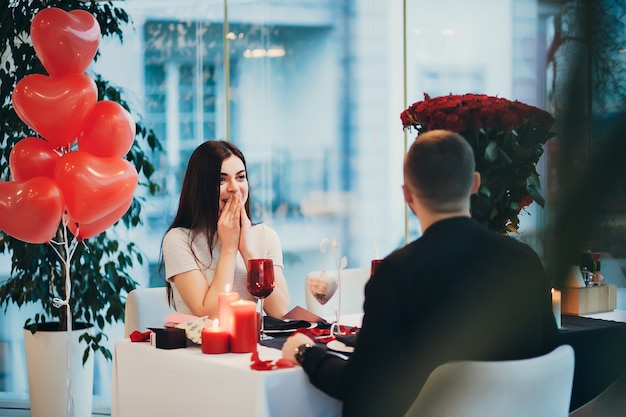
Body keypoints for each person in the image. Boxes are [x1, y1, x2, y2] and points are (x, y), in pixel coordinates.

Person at [282, 129, 558, 417]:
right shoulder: (524, 260)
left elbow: (361, 387)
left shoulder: (398, 272)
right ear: (475, 184)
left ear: (407, 194)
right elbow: (549, 358)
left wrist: (306, 353)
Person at [160, 140, 290, 319]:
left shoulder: (266, 236)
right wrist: (229, 248)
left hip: (250, 344)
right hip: (198, 346)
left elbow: (281, 311)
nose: (234, 188)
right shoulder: (178, 239)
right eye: (221, 180)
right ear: (201, 187)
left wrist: (246, 250)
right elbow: (211, 314)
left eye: (240, 177)